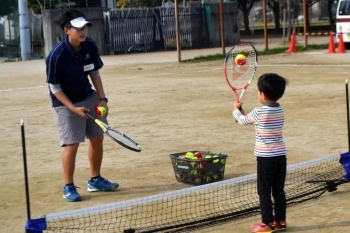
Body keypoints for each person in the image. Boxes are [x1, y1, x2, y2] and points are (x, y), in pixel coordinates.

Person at [46, 9, 118, 202]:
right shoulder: (56, 56)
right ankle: (68, 187)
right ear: (67, 30)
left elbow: (94, 74)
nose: (83, 31)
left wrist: (103, 99)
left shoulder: (90, 45)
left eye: (84, 26)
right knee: (72, 144)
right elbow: (54, 88)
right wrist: (73, 109)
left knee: (97, 138)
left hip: (88, 96)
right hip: (65, 102)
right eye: (78, 28)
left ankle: (95, 180)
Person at [232, 73, 288, 233]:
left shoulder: (258, 112)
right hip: (280, 157)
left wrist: (235, 110)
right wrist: (242, 111)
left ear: (262, 95)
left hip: (266, 159)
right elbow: (254, 120)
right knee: (278, 190)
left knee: (264, 191)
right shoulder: (280, 110)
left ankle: (267, 223)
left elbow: (243, 121)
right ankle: (280, 221)